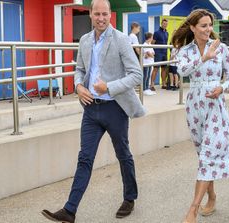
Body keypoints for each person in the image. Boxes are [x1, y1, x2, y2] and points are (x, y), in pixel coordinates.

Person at [41, 0, 145, 222]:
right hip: (91, 109)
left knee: (123, 155)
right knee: (84, 159)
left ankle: (129, 197)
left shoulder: (121, 40)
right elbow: (79, 70)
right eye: (97, 13)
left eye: (104, 14)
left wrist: (109, 87)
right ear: (90, 14)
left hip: (115, 109)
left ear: (110, 15)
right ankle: (69, 210)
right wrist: (79, 87)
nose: (101, 18)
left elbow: (137, 74)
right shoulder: (85, 41)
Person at [172, 9, 229, 223]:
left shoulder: (222, 48)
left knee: (208, 156)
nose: (208, 30)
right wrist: (203, 58)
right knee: (204, 157)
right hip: (195, 108)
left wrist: (221, 88)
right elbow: (182, 71)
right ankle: (212, 196)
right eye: (204, 26)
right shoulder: (184, 50)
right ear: (192, 28)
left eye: (210, 25)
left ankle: (192, 211)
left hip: (216, 107)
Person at [150, 18, 169, 91]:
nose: (165, 25)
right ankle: (152, 84)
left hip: (164, 53)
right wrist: (154, 52)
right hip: (158, 53)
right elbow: (152, 43)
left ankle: (163, 84)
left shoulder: (167, 33)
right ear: (161, 24)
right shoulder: (157, 33)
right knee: (156, 69)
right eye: (164, 24)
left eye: (166, 24)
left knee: (164, 69)